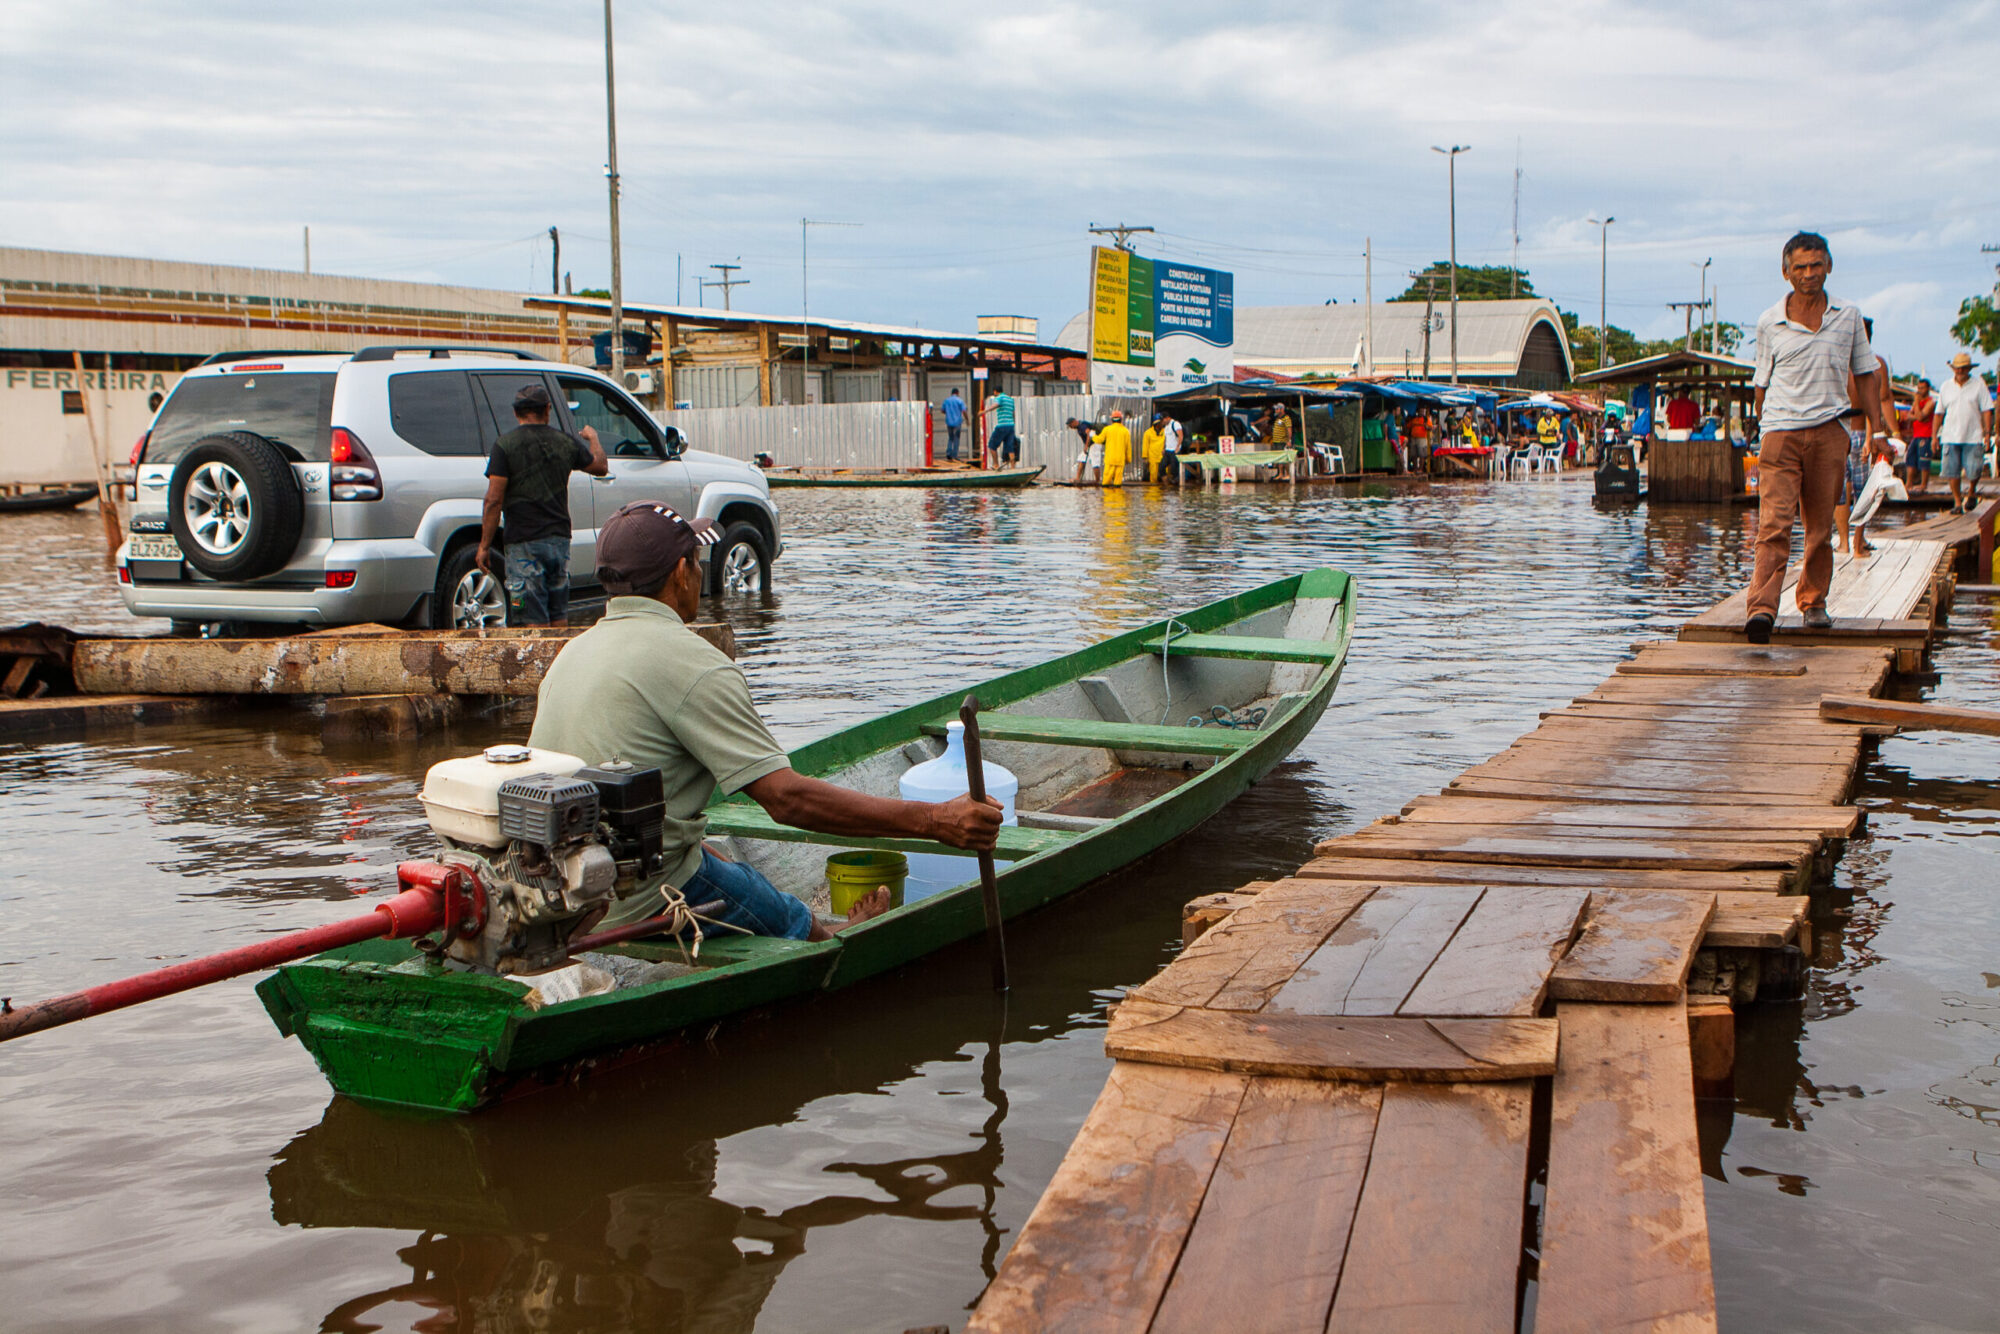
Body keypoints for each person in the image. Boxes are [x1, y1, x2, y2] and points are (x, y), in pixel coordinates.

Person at [530, 501, 1002, 941]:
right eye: (697, 561)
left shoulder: (571, 653)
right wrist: (935, 819)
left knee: (724, 865)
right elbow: (787, 800)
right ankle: (832, 940)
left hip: (563, 893)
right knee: (778, 911)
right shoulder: (694, 662)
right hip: (638, 900)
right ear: (681, 572)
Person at [1745, 231, 1892, 643]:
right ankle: (1761, 609)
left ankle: (1813, 601)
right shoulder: (1769, 321)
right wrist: (1766, 429)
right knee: (1773, 524)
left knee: (1819, 528)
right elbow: (1761, 384)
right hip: (1780, 431)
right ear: (1785, 272)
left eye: (1816, 265)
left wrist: (1876, 430)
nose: (1809, 274)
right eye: (1800, 267)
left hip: (1830, 430)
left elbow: (1866, 374)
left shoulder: (1848, 316)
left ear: (1829, 266)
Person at [477, 383, 607, 627]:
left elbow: (493, 500)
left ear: (516, 413)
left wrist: (484, 545)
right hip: (558, 542)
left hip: (523, 543)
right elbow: (600, 466)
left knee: (529, 616)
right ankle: (559, 661)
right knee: (558, 614)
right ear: (548, 409)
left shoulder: (505, 446)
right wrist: (594, 438)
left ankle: (539, 664)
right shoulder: (565, 442)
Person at [1835, 318, 1897, 555]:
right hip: (1849, 432)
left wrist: (1873, 436)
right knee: (1847, 490)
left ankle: (1851, 542)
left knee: (1856, 490)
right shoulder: (1869, 365)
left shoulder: (1870, 365)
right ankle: (1850, 542)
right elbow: (1878, 404)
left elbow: (1878, 404)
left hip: (1857, 432)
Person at [1935, 352, 1993, 514]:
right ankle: (1957, 502)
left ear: (1968, 369)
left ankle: (1972, 491)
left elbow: (1987, 410)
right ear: (1953, 369)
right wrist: (1934, 436)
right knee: (1951, 470)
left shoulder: (1978, 385)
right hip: (1949, 435)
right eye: (1957, 368)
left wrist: (1987, 433)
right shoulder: (1946, 386)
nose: (1960, 371)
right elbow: (1939, 413)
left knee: (1975, 469)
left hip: (1973, 435)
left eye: (1963, 368)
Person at [1905, 378, 1936, 494]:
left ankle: (1923, 484)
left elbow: (1920, 416)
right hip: (1916, 434)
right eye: (1919, 388)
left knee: (1924, 459)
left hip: (1926, 434)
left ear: (1928, 389)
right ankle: (1909, 483)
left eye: (1922, 388)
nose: (1920, 390)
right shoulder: (1917, 403)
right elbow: (1910, 415)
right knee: (1910, 458)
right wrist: (1917, 414)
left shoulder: (1930, 402)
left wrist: (1917, 404)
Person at [1094, 410, 1131, 488]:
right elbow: (1128, 447)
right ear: (1121, 419)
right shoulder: (1125, 431)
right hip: (1120, 460)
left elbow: (1099, 440)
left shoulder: (1107, 429)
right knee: (1117, 483)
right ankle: (1117, 498)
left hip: (1109, 459)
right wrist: (1128, 459)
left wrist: (1092, 435)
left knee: (1106, 482)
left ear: (1112, 420)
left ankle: (1108, 499)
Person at [985, 387, 1019, 465]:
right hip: (1010, 426)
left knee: (992, 445)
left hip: (1002, 425)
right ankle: (1013, 467)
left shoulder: (1000, 397)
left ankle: (996, 465)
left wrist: (985, 411)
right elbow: (1013, 414)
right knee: (1010, 447)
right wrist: (1013, 424)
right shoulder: (1010, 399)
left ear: (995, 391)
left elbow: (996, 405)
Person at [1065, 417, 1099, 483]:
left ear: (1074, 422)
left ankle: (1097, 481)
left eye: (1071, 425)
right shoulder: (1079, 427)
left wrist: (1086, 446)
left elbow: (1089, 433)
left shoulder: (1082, 426)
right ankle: (1077, 478)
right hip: (1090, 445)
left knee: (1095, 462)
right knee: (1081, 458)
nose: (1071, 427)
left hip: (1094, 444)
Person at [940, 388, 967, 462]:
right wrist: (967, 419)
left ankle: (949, 453)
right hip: (957, 422)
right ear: (957, 393)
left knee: (950, 438)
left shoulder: (946, 401)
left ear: (951, 393)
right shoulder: (960, 400)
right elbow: (964, 411)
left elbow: (942, 410)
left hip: (949, 422)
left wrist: (948, 413)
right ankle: (955, 455)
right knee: (957, 438)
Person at [1141, 415, 1167, 484]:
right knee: (1153, 475)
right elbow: (1145, 445)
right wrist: (1145, 457)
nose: (1161, 424)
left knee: (1165, 474)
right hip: (1152, 457)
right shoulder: (1148, 433)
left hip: (1163, 457)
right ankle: (1153, 492)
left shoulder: (1165, 432)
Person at [1160, 414, 1184, 484]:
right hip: (1167, 450)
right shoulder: (1166, 427)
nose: (1163, 422)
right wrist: (1163, 448)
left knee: (1174, 470)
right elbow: (1165, 438)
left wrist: (1178, 447)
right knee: (1161, 467)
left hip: (1174, 450)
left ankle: (1175, 485)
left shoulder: (1175, 424)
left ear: (1167, 418)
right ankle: (1166, 484)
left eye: (1163, 420)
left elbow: (1181, 436)